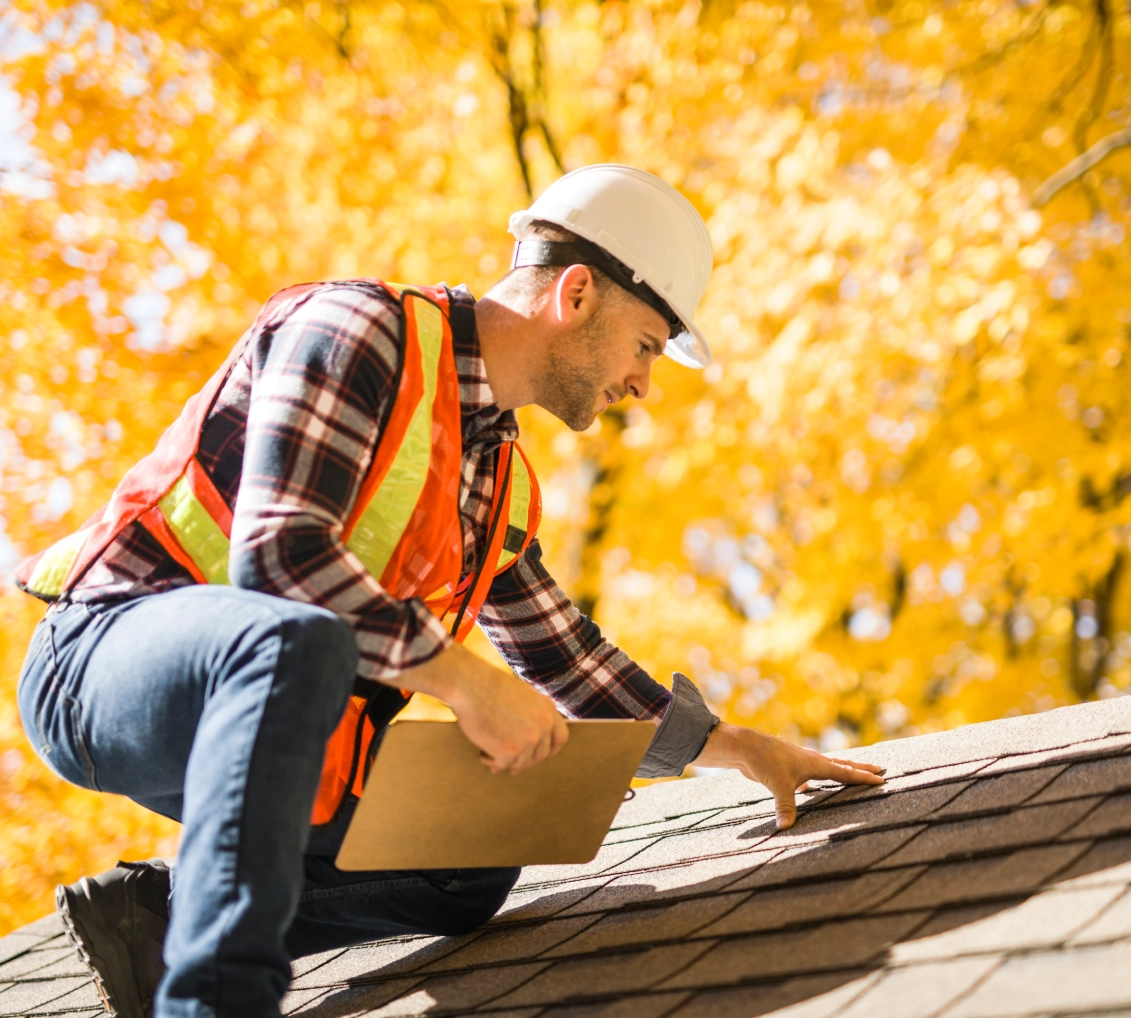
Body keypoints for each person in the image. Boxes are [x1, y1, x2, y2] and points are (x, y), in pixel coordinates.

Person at [14, 165, 884, 1018]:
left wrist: (738, 749)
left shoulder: (495, 479)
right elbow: (281, 561)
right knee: (296, 637)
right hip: (103, 664)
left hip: (279, 722)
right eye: (647, 346)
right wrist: (468, 684)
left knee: (468, 859)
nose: (643, 384)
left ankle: (154, 927)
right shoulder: (358, 329)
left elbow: (565, 662)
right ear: (575, 294)